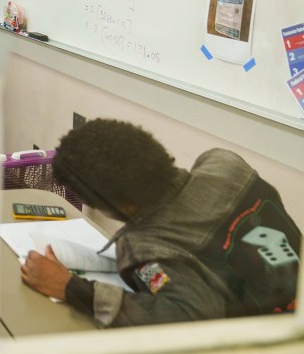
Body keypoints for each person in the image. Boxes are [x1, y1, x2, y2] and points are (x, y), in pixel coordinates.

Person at [20, 119, 301, 327]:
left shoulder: (147, 247)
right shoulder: (225, 165)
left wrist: (70, 288)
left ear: (117, 204)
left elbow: (188, 317)